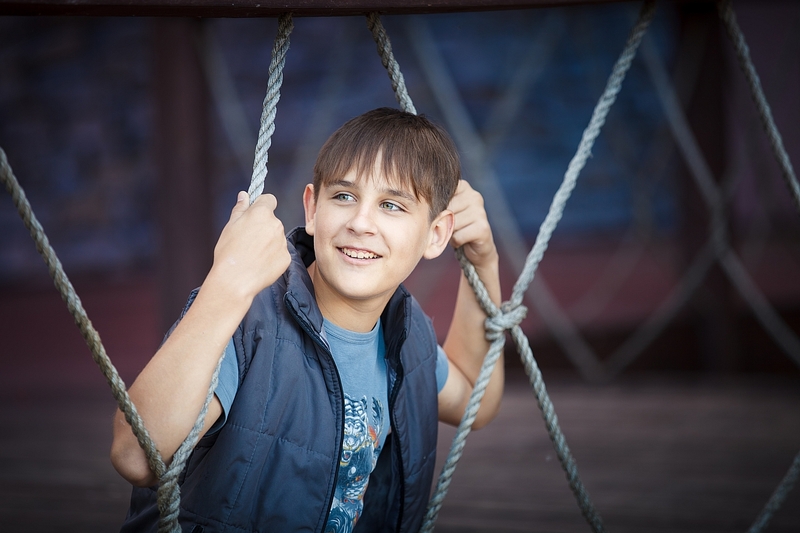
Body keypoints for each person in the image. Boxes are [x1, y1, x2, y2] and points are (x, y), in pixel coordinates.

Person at [110, 107, 504, 532]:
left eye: (391, 205)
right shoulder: (247, 320)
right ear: (312, 209)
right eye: (344, 197)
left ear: (437, 234)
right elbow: (135, 455)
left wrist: (483, 260)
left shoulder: (406, 338)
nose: (360, 223)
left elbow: (475, 400)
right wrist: (226, 284)